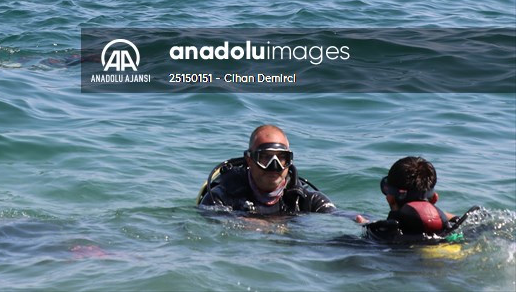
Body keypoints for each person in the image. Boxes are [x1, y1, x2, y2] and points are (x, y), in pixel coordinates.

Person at [197, 124, 335, 215]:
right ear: (249, 160)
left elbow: (336, 216)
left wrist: (353, 218)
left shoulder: (305, 199)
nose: (274, 167)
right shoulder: (221, 198)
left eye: (281, 158)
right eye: (264, 157)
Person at [358, 156, 474, 243]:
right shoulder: (457, 232)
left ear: (390, 199)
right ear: (434, 198)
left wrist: (367, 226)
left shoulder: (379, 237)